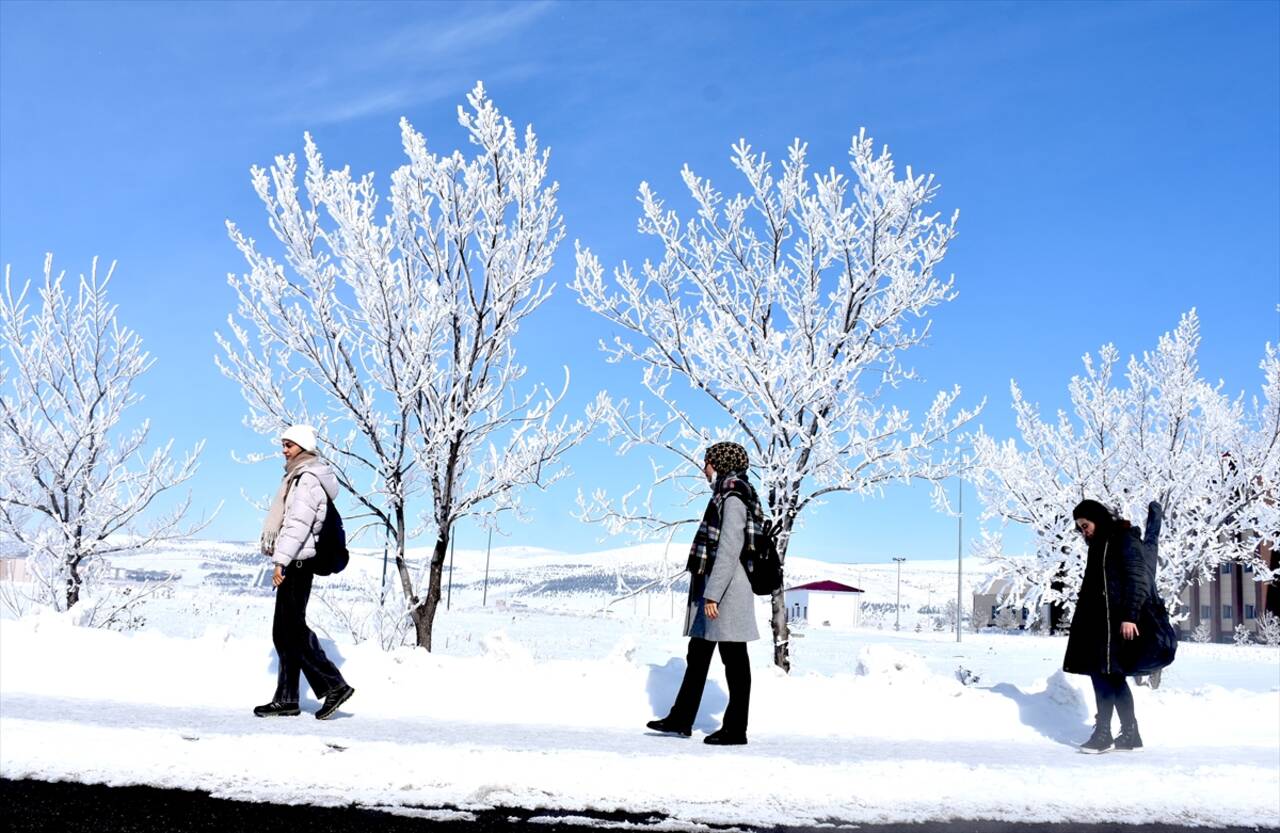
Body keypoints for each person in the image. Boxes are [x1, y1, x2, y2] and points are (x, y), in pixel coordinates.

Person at [647, 441, 761, 746]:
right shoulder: (724, 494)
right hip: (716, 589)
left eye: (707, 462)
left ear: (720, 463)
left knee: (734, 659)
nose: (704, 468)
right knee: (698, 655)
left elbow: (729, 549)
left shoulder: (734, 495)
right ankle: (681, 718)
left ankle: (736, 728)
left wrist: (712, 595)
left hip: (727, 593)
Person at [254, 425, 355, 720]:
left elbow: (298, 524)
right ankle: (286, 699)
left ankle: (333, 685)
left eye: (289, 445)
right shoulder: (298, 477)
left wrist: (280, 561)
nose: (284, 450)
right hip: (296, 561)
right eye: (283, 444)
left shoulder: (307, 478)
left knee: (292, 630)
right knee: (284, 632)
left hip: (298, 562)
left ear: (303, 447)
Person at [1064, 499, 1175, 753]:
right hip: (1100, 625)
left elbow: (1137, 579)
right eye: (1080, 528)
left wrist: (1130, 616)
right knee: (1112, 677)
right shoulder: (1101, 544)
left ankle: (1103, 734)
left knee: (1103, 676)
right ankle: (1130, 733)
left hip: (1116, 624)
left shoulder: (1122, 539)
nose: (1084, 531)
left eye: (1085, 524)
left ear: (1097, 519)